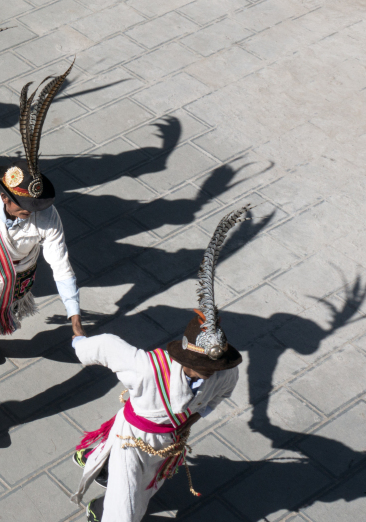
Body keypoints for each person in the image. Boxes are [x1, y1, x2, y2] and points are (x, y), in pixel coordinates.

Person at [70, 207, 250, 522]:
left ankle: (102, 480)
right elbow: (107, 346)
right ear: (186, 358)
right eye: (204, 366)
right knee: (125, 509)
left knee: (147, 488)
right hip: (132, 440)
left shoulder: (225, 373)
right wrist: (79, 341)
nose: (212, 372)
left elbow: (220, 395)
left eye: (216, 366)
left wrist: (192, 419)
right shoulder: (147, 368)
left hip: (170, 442)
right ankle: (108, 493)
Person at [0, 61, 85, 437]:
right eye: (26, 206)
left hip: (18, 277)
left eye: (37, 206)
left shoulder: (48, 218)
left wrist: (73, 313)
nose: (34, 212)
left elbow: (61, 265)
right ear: (6, 198)